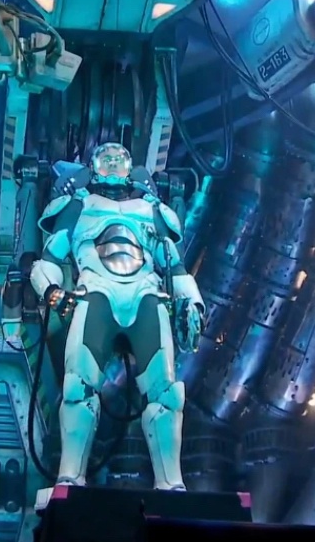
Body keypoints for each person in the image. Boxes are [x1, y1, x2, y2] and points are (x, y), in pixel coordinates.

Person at [28, 143, 204, 490]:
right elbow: (47, 262)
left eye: (118, 159)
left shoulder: (152, 209)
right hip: (96, 291)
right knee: (77, 388)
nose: (112, 163)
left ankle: (171, 484)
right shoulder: (78, 205)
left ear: (129, 166)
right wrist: (52, 292)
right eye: (105, 159)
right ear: (93, 167)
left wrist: (193, 304)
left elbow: (176, 267)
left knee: (167, 394)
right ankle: (70, 477)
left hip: (146, 293)